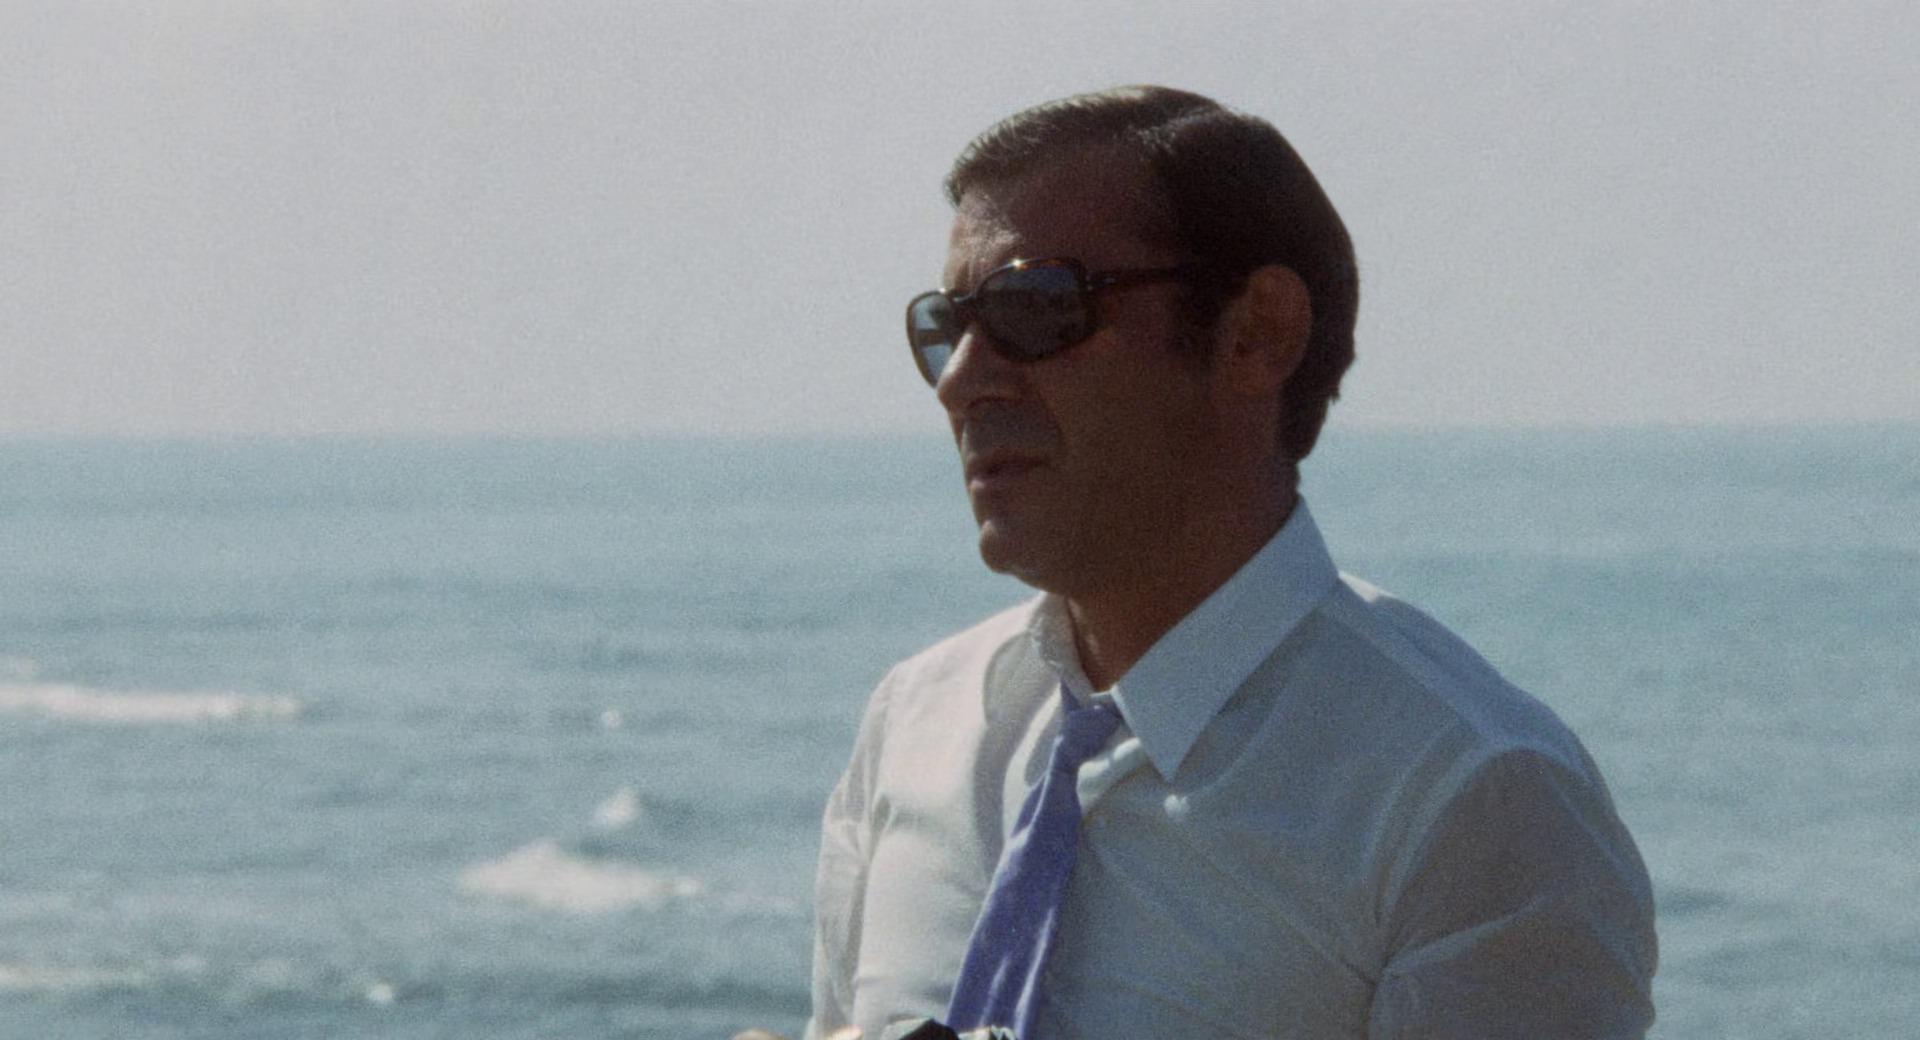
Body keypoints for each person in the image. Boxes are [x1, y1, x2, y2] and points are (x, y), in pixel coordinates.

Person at [801, 86, 1657, 1040]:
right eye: (946, 327)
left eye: (1034, 307)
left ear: (1257, 334)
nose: (961, 381)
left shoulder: (1471, 804)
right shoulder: (916, 726)